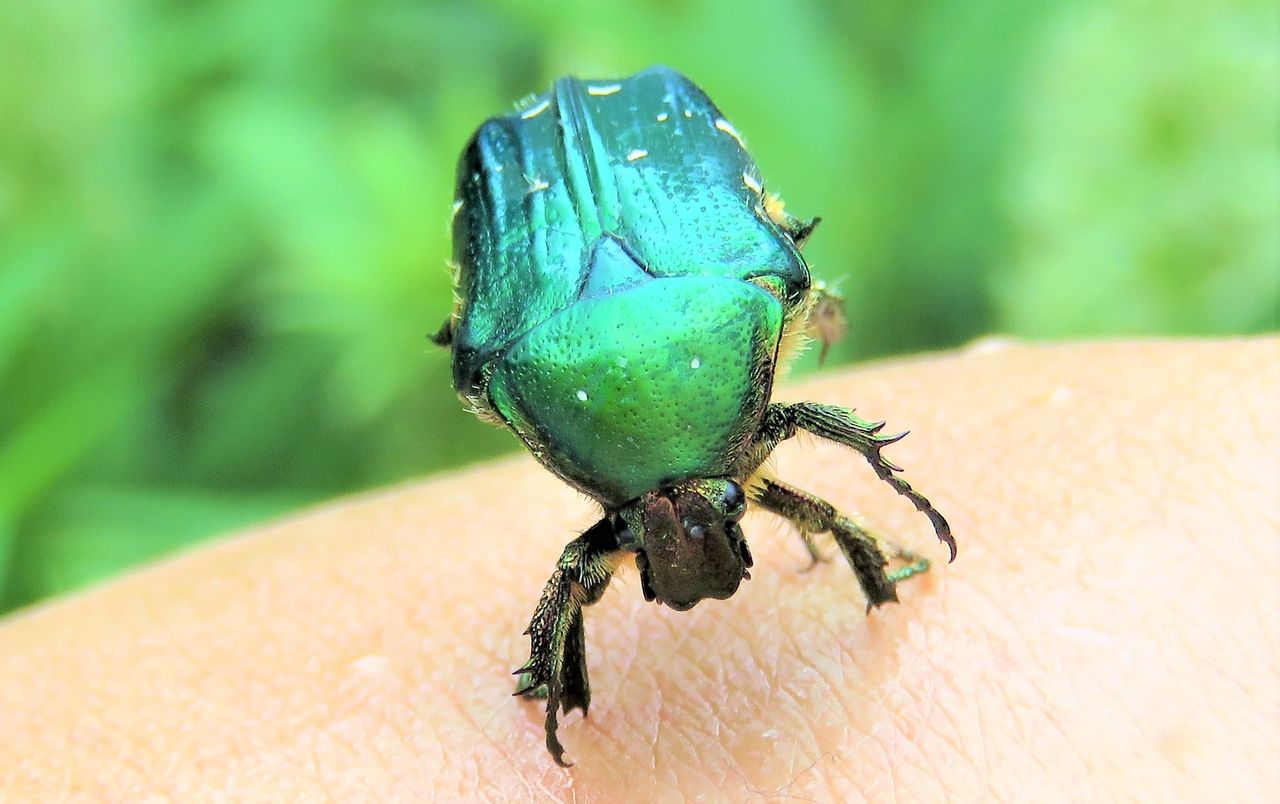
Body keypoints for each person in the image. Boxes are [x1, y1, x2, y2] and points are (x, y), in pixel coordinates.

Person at [0, 339, 1275, 799]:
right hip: (647, 359)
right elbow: (578, 571)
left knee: (794, 501)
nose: (680, 543)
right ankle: (558, 690)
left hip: (675, 361)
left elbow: (794, 440)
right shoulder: (668, 489)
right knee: (613, 566)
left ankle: (872, 568)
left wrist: (887, 498)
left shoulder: (746, 450)